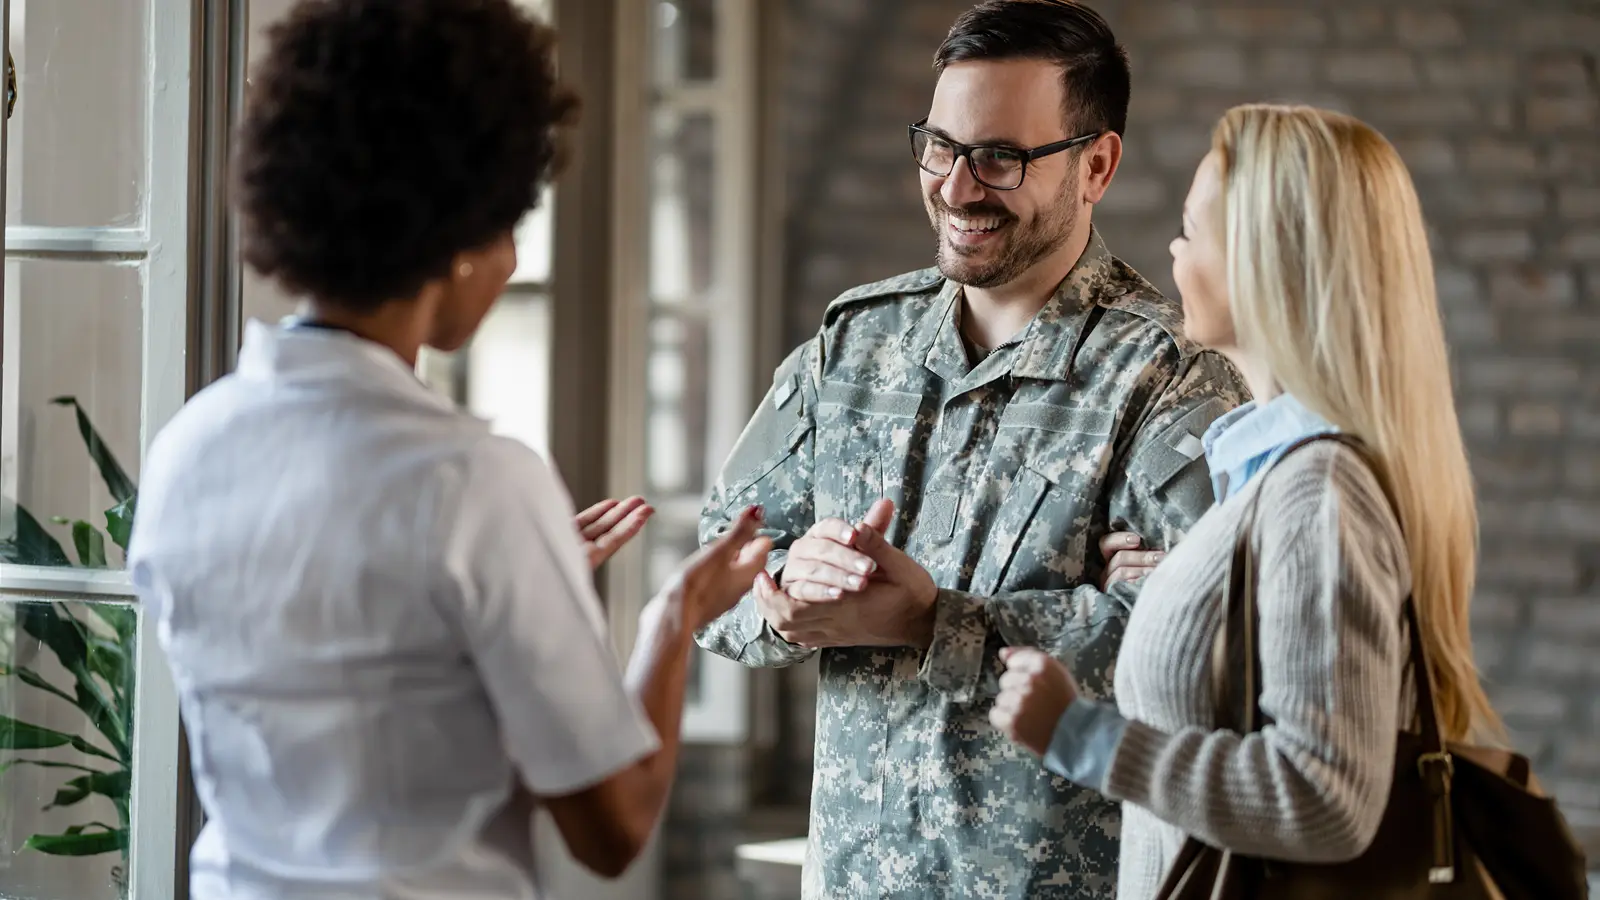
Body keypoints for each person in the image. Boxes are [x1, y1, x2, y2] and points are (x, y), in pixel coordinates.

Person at [126, 1, 771, 896]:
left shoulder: (188, 449)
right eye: (510, 222)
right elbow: (613, 827)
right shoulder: (476, 483)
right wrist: (677, 612)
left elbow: (340, 702)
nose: (510, 262)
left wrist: (510, 593)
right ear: (459, 231)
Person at [695, 1, 1248, 896]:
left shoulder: (1168, 379)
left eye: (999, 157)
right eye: (939, 146)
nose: (955, 187)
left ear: (1096, 164)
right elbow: (716, 568)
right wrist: (785, 599)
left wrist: (937, 622)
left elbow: (1212, 652)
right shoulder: (850, 348)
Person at [992, 103, 1503, 900]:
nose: (1171, 249)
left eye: (1192, 231)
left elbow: (1325, 799)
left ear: (1266, 261)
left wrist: (1080, 735)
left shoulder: (1319, 491)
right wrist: (1195, 586)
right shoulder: (1281, 480)